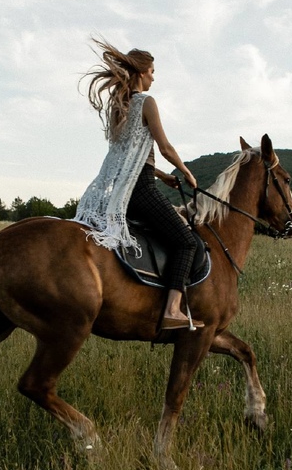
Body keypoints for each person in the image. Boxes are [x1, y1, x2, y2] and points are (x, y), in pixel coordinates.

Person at [75, 38, 203, 330]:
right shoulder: (147, 102)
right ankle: (172, 309)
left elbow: (127, 155)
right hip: (140, 190)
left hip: (126, 188)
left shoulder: (119, 106)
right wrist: (186, 172)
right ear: (142, 72)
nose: (154, 77)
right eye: (153, 71)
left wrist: (162, 175)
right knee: (185, 242)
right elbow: (165, 147)